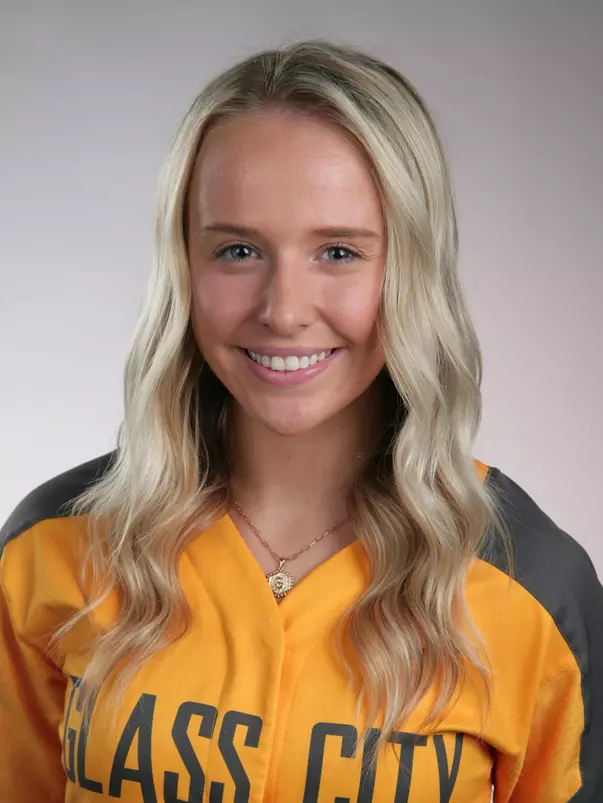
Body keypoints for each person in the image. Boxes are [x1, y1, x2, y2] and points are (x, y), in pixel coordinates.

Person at [1, 37, 601, 803]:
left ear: (411, 267)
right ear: (183, 266)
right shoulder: (52, 546)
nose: (283, 310)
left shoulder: (531, 582)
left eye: (339, 252)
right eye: (237, 250)